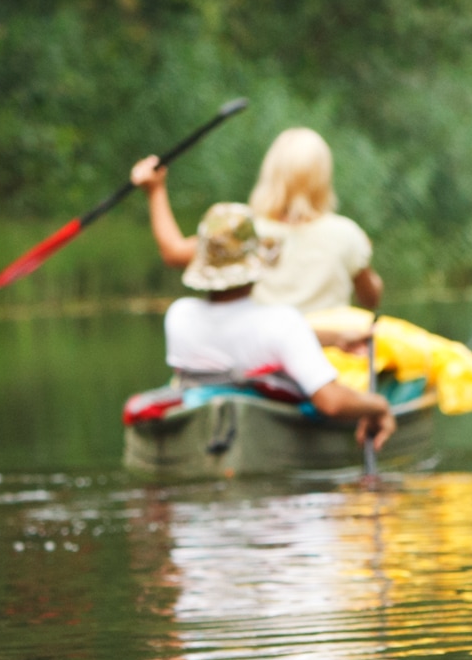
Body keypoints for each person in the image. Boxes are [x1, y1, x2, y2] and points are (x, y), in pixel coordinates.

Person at [162, 202, 397, 449]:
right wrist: (378, 405)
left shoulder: (179, 314)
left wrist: (335, 338)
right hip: (260, 439)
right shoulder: (282, 322)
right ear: (254, 266)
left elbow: (241, 333)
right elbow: (332, 402)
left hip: (203, 429)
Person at [137, 127, 382, 321]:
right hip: (329, 358)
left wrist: (155, 190)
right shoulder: (346, 233)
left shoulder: (244, 229)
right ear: (323, 178)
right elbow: (370, 298)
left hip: (263, 358)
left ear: (272, 173)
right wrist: (363, 258)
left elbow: (173, 252)